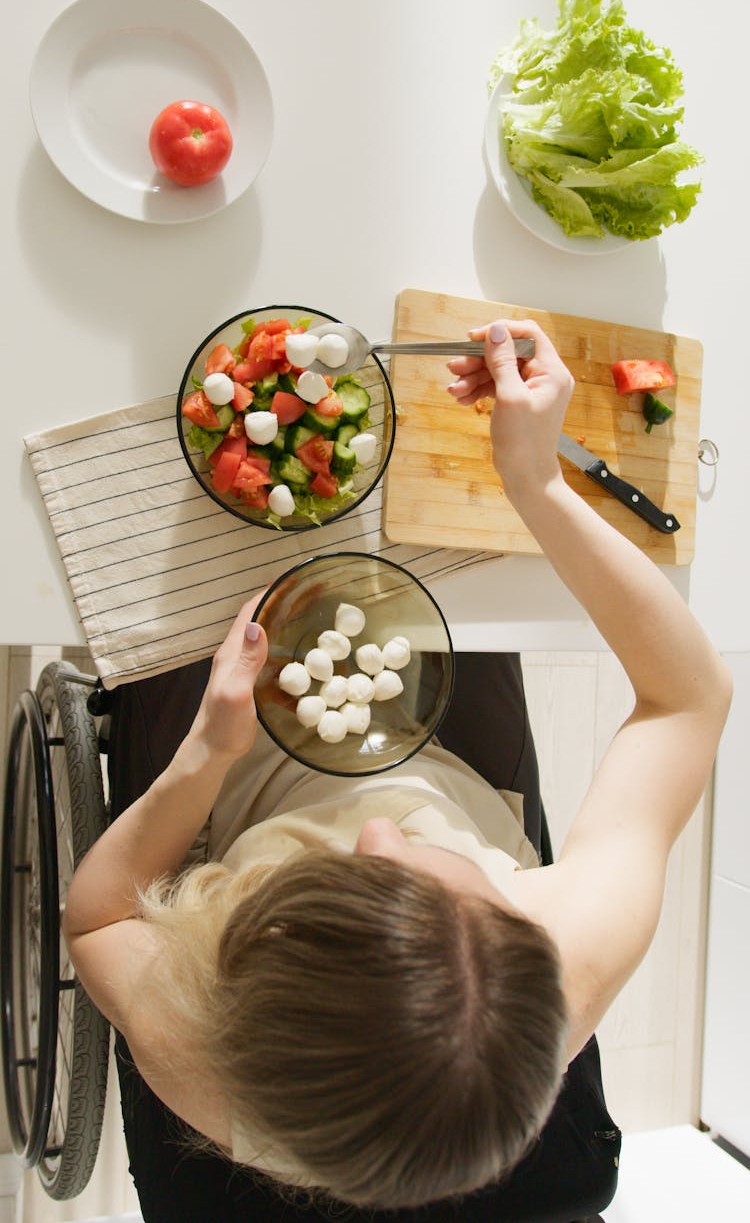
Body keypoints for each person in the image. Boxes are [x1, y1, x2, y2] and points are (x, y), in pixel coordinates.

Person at [63, 320, 732, 1213]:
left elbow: (96, 922)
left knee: (156, 560)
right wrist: (536, 484)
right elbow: (689, 698)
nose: (378, 827)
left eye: (342, 873)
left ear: (243, 972)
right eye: (426, 870)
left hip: (236, 794)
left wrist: (207, 754)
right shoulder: (564, 953)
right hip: (444, 768)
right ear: (524, 932)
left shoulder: (205, 1053)